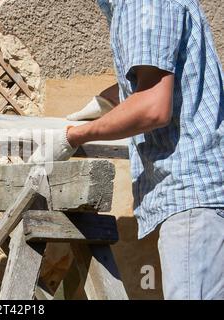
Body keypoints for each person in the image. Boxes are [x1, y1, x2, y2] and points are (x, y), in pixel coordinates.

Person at [40, 0, 224, 299]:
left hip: (193, 194)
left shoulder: (144, 4)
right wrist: (107, 101)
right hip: (203, 190)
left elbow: (153, 107)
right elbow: (164, 76)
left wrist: (74, 137)